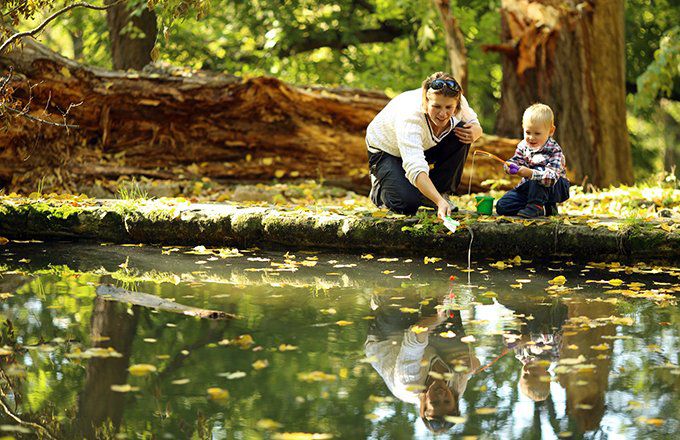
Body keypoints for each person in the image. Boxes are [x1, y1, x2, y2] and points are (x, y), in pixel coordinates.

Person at [365, 72, 483, 219]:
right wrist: (439, 202)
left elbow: (473, 122)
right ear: (426, 102)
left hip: (424, 146)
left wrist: (476, 131)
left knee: (464, 131)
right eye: (436, 106)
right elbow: (415, 166)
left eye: (448, 107)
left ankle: (438, 193)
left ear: (457, 103)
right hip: (387, 150)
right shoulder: (410, 117)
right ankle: (380, 190)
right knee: (406, 204)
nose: (443, 113)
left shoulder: (457, 100)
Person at [365, 291, 480, 433]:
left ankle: (382, 301)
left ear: (424, 406)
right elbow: (473, 361)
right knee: (458, 350)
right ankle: (440, 295)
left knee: (403, 299)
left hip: (389, 339)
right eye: (447, 401)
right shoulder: (457, 388)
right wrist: (472, 364)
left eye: (435, 402)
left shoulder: (407, 385)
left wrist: (437, 319)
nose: (441, 395)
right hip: (429, 345)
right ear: (455, 402)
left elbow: (413, 339)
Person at [496, 103, 570, 218]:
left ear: (551, 131)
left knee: (538, 169)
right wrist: (509, 166)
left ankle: (537, 206)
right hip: (530, 187)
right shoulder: (523, 146)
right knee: (503, 206)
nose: (531, 137)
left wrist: (531, 173)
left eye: (537, 133)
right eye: (528, 132)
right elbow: (517, 160)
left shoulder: (555, 150)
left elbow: (551, 178)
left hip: (555, 186)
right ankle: (542, 206)